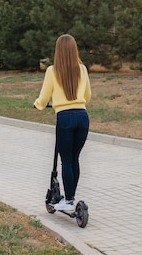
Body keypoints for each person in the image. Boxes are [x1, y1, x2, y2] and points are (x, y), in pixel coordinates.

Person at [34, 34, 91, 211]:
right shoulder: (82, 69)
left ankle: (69, 202)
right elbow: (87, 96)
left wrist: (38, 105)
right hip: (82, 116)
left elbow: (43, 98)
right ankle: (71, 198)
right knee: (75, 159)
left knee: (66, 160)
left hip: (64, 118)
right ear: (75, 49)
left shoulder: (52, 70)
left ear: (58, 51)